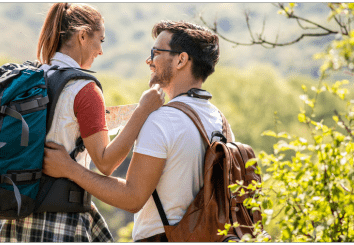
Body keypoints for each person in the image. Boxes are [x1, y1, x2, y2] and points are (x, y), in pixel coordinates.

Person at [0, 3, 165, 242]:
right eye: (100, 40)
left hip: (14, 215)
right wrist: (144, 110)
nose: (101, 51)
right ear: (83, 36)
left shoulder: (35, 78)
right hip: (58, 220)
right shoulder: (84, 89)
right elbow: (105, 162)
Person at [43, 20, 232, 242]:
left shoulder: (161, 121)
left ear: (181, 60)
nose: (149, 60)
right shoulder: (219, 121)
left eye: (156, 52)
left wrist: (70, 169)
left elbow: (132, 198)